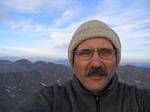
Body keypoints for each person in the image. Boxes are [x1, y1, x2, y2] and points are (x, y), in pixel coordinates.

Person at [20, 20, 150, 112]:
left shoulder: (139, 100)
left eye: (105, 52)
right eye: (85, 53)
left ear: (116, 59)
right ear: (73, 60)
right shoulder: (49, 100)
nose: (96, 63)